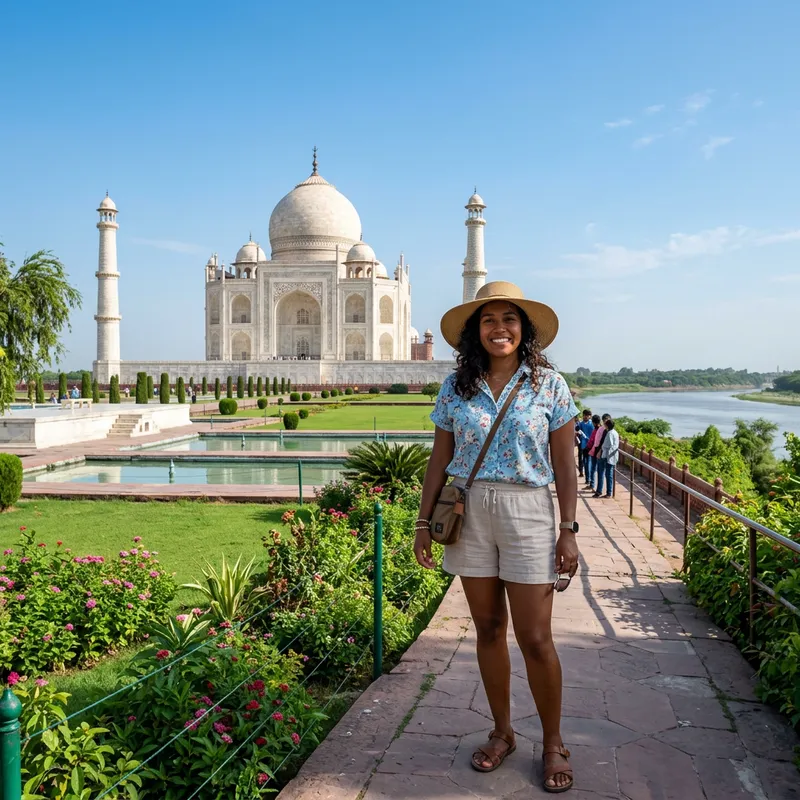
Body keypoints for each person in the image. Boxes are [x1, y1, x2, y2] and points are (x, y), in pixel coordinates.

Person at [414, 281, 579, 793]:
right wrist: (424, 522)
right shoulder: (456, 387)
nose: (499, 328)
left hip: (528, 510)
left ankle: (552, 741)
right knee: (487, 629)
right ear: (475, 331)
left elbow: (565, 462)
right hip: (468, 508)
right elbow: (440, 458)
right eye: (489, 320)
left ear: (524, 330)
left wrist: (568, 530)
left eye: (509, 319)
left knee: (535, 637)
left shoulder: (549, 386)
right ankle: (503, 731)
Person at [597, 419, 619, 498]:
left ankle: (608, 492)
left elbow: (608, 445)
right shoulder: (615, 432)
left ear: (607, 425)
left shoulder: (610, 433)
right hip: (610, 455)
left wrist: (601, 451)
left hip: (608, 455)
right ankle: (607, 492)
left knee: (607, 474)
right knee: (608, 474)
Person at [592, 414, 612, 498]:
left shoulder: (612, 432)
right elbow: (597, 442)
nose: (606, 422)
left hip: (609, 455)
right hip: (601, 453)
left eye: (607, 420)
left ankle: (608, 492)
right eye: (605, 420)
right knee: (600, 472)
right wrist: (597, 451)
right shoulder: (602, 430)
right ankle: (599, 491)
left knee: (609, 474)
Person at [584, 414, 602, 491]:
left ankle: (592, 485)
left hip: (594, 451)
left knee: (593, 468)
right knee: (597, 469)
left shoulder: (596, 430)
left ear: (594, 422)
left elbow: (592, 440)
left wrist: (587, 447)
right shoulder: (601, 429)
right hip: (599, 451)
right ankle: (594, 485)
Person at [576, 409, 594, 479]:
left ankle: (588, 476)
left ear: (590, 416)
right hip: (581, 443)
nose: (585, 417)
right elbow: (577, 429)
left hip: (589, 444)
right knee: (580, 457)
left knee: (587, 460)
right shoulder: (581, 423)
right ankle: (581, 471)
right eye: (584, 415)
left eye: (587, 415)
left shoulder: (591, 424)